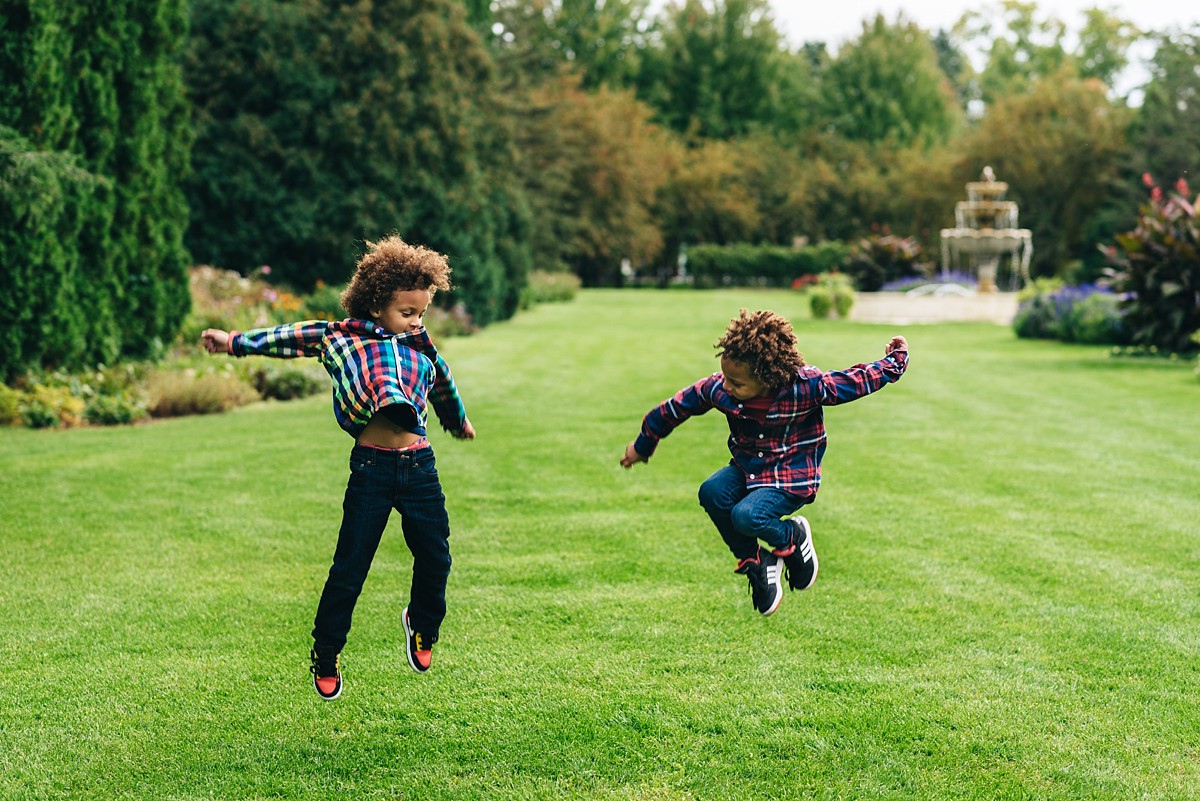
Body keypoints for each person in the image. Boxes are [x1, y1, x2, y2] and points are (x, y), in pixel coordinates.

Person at [201, 235, 475, 700]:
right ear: (374, 305)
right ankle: (326, 652)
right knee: (349, 568)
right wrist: (234, 343)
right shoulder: (339, 336)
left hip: (419, 466)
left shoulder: (421, 348)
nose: (415, 322)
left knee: (436, 556)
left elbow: (444, 384)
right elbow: (287, 338)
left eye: (421, 313)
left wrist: (458, 420)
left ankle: (422, 623)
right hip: (371, 469)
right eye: (406, 313)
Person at [620, 309, 908, 616]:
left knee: (747, 515)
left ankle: (793, 537)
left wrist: (896, 360)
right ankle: (758, 562)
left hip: (791, 477)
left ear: (767, 377)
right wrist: (643, 446)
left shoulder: (806, 387)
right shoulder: (720, 390)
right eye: (726, 378)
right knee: (712, 492)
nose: (727, 387)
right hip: (749, 470)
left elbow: (858, 380)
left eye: (737, 383)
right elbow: (674, 408)